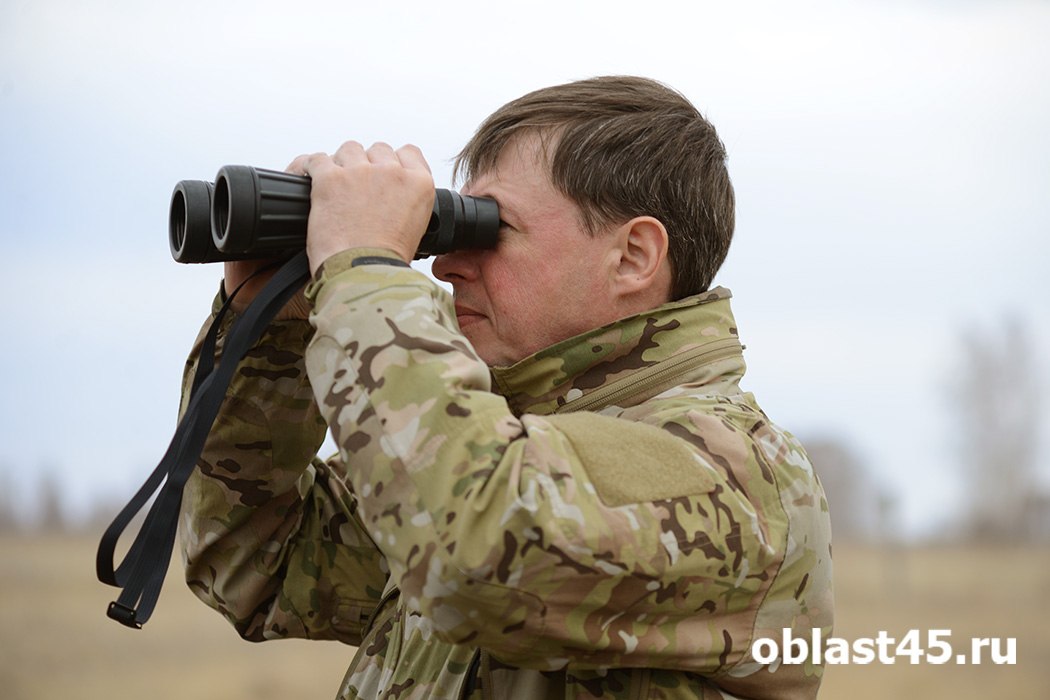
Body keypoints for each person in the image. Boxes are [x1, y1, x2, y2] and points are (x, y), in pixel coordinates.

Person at [179, 75, 834, 699]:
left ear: (633, 256)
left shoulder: (735, 473)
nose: (444, 263)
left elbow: (474, 557)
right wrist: (270, 334)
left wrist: (365, 274)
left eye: (489, 228)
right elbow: (257, 561)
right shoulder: (481, 446)